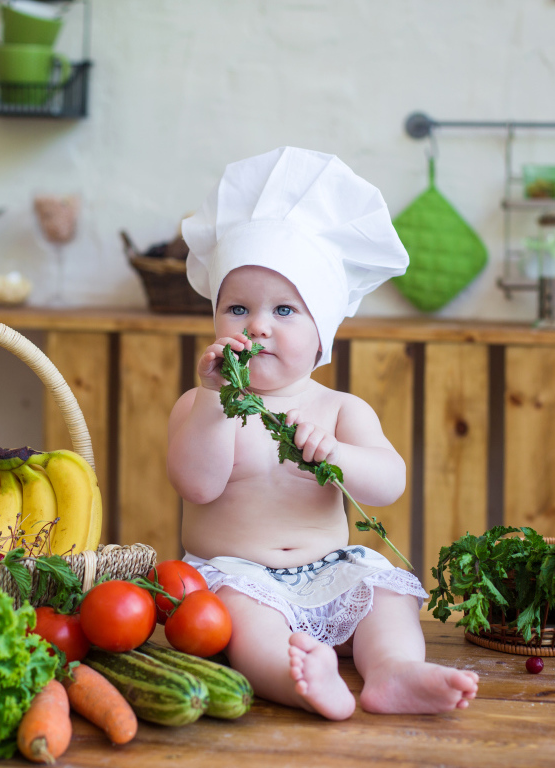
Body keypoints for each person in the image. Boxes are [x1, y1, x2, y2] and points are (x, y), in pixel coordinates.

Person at [167, 147, 479, 720]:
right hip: (239, 574)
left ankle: (393, 673)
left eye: (285, 310)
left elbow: (388, 481)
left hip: (330, 568)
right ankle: (294, 678)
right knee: (244, 623)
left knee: (387, 593)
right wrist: (215, 400)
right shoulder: (200, 402)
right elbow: (197, 484)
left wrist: (337, 455)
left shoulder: (339, 409)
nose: (257, 325)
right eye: (237, 308)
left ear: (321, 334)